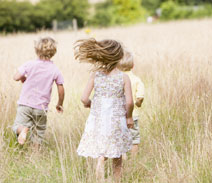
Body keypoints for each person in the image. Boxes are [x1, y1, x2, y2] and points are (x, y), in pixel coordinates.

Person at [74, 38, 134, 183]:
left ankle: (101, 162)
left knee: (102, 147)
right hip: (116, 118)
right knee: (117, 152)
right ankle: (117, 179)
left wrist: (90, 104)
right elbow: (130, 101)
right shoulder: (123, 77)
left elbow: (83, 98)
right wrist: (129, 117)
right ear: (119, 57)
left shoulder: (95, 75)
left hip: (98, 118)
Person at [12, 37, 65, 150]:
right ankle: (35, 156)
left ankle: (23, 130)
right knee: (38, 134)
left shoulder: (29, 64)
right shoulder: (54, 69)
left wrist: (23, 77)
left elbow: (15, 77)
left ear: (36, 50)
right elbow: (60, 87)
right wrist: (59, 104)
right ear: (53, 52)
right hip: (41, 108)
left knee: (17, 126)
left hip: (25, 105)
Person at [118, 50, 145, 156]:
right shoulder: (137, 80)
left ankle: (123, 159)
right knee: (134, 140)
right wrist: (138, 103)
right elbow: (140, 98)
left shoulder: (117, 79)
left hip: (119, 114)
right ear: (133, 66)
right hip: (133, 115)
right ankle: (134, 160)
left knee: (121, 139)